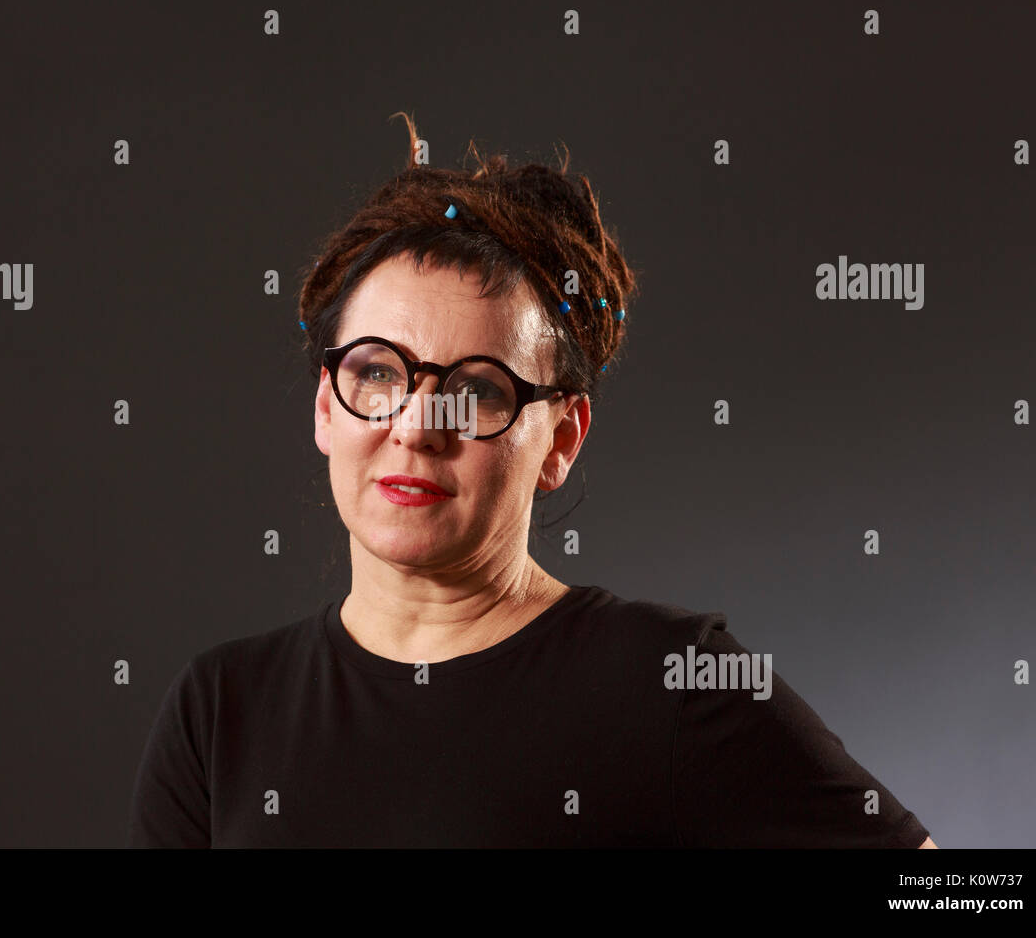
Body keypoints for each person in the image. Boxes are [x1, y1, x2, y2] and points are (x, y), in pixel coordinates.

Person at [128, 112, 936, 848]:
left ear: (561, 439)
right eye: (377, 374)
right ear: (325, 409)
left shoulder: (671, 681)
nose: (415, 426)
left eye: (477, 390)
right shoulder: (221, 712)